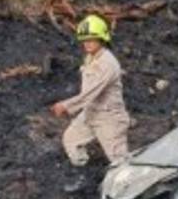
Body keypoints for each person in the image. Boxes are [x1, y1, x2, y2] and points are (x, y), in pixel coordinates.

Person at [50, 15, 131, 175]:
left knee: (119, 161)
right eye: (85, 39)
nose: (87, 43)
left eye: (92, 39)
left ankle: (131, 187)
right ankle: (83, 176)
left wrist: (66, 105)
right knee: (71, 140)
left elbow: (91, 92)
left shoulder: (108, 63)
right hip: (91, 112)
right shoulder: (90, 58)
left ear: (101, 39)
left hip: (109, 117)